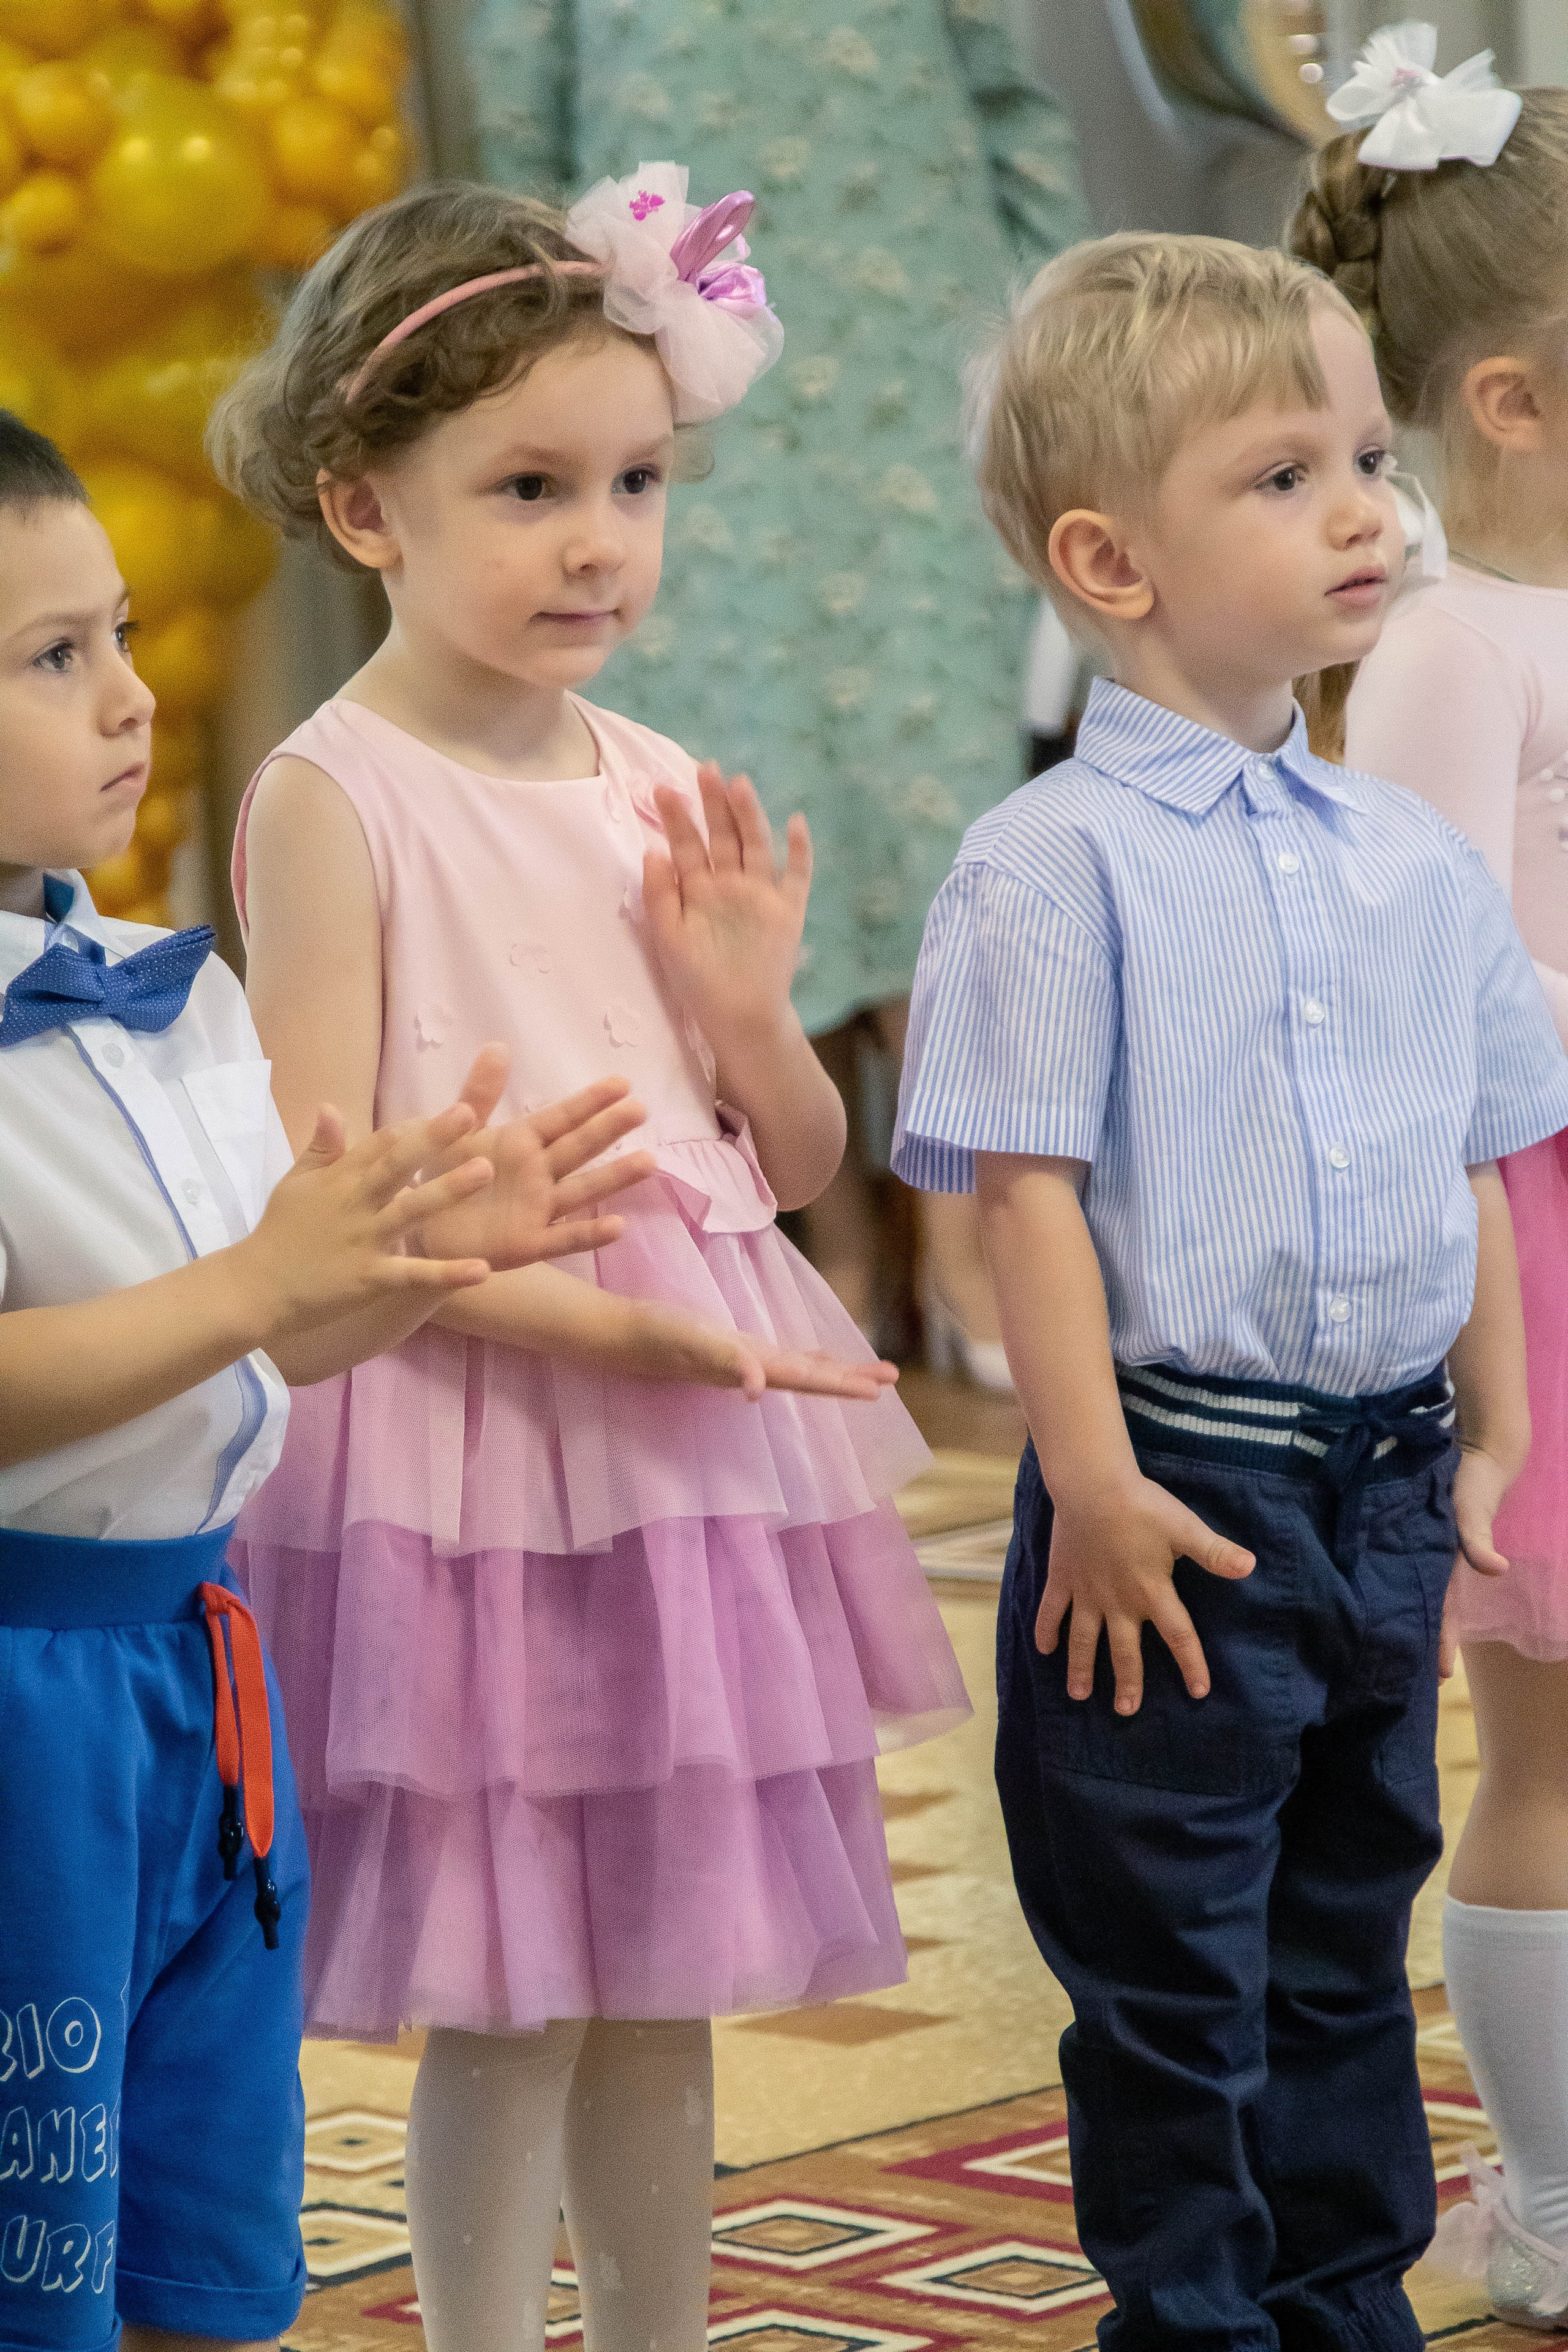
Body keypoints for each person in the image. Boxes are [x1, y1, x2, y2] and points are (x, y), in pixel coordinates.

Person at [208, 170, 971, 2352]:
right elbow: (321, 1203)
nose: (596, 541)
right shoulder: (333, 796)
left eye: (634, 484)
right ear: (367, 506)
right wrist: (614, 1323)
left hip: (685, 1450)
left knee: (665, 1973)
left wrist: (748, 1016)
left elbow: (803, 1159)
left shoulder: (654, 778)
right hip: (476, 1435)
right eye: (528, 487)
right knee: (510, 1988)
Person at [892, 228, 1568, 2351]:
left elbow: (1464, 1155)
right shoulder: (1050, 862)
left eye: (1368, 453)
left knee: (1343, 1937)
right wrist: (1084, 1481)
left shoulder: (1406, 858)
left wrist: (1501, 1425)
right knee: (1175, 1966)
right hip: (1173, 1493)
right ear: (1111, 561)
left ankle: (1344, 2307)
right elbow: (1029, 1203)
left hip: (1379, 1487)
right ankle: (1195, 2322)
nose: (1367, 506)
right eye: (1283, 477)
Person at [0, 409, 662, 2352]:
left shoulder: (157, 991)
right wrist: (258, 1278)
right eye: (52, 658)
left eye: (119, 633)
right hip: (23, 1693)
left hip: (195, 1674)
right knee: (35, 2207)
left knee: (204, 2187)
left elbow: (265, 1331)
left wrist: (411, 1257)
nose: (131, 697)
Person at [469, 0, 1092, 1369]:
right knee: (739, 777)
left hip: (916, 338)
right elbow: (520, 134)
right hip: (672, 354)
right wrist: (546, 370)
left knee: (931, 784)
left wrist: (1059, 350)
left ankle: (954, 1224)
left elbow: (1007, 91)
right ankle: (820, 1240)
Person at [1291, 24, 1568, 2329]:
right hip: (1539, 1249)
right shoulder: (1453, 651)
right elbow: (1443, 995)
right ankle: (1559, 2202)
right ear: (1515, 398)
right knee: (1551, 1744)